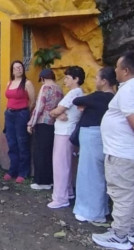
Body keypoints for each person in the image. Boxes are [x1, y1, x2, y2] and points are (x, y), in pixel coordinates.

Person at [92, 51, 134, 250]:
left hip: (121, 154)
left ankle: (119, 236)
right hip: (124, 152)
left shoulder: (128, 90)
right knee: (128, 194)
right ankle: (129, 232)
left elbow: (132, 120)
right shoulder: (129, 88)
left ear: (125, 70)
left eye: (118, 67)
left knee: (121, 194)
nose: (115, 70)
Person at [72, 67, 116, 223]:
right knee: (97, 175)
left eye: (97, 78)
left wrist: (87, 105)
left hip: (92, 136)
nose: (95, 81)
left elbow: (77, 101)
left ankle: (91, 212)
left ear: (104, 81)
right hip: (99, 137)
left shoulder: (100, 96)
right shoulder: (113, 97)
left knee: (89, 175)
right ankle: (100, 209)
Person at [47, 66, 84, 209]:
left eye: (68, 78)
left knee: (60, 165)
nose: (66, 80)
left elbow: (56, 110)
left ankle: (60, 198)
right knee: (66, 164)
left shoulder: (73, 93)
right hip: (67, 131)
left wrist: (55, 113)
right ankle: (67, 192)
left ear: (76, 79)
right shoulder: (77, 93)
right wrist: (57, 113)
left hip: (64, 132)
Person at [27, 69, 63, 190]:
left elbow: (39, 108)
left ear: (42, 78)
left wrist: (31, 123)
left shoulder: (45, 88)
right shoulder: (59, 89)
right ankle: (50, 180)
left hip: (42, 122)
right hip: (53, 123)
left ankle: (41, 181)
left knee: (40, 152)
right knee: (49, 152)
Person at [3, 60, 35, 184]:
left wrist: (25, 113)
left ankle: (23, 172)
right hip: (9, 114)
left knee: (22, 142)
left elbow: (32, 101)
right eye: (16, 68)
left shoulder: (27, 83)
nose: (18, 69)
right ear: (12, 70)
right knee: (12, 142)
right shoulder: (9, 83)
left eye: (20, 67)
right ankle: (12, 170)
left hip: (21, 114)